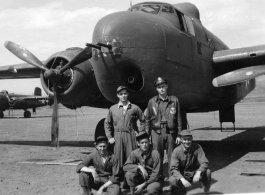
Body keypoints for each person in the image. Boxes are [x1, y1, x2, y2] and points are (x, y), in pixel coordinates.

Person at [145, 77, 182, 176]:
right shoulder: (152, 101)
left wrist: (179, 135)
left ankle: (172, 178)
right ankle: (158, 178)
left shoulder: (174, 100)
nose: (161, 89)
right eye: (159, 87)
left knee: (172, 156)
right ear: (156, 89)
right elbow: (147, 119)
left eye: (163, 86)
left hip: (171, 132)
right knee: (157, 156)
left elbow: (178, 118)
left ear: (167, 86)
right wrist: (147, 135)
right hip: (157, 132)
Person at [104, 86, 145, 169]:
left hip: (131, 135)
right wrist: (109, 137)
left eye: (125, 93)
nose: (123, 96)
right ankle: (119, 178)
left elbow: (143, 120)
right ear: (118, 95)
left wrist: (141, 133)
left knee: (132, 156)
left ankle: (132, 177)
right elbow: (107, 123)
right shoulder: (113, 109)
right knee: (118, 157)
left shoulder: (134, 108)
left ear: (128, 94)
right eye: (121, 94)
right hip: (118, 135)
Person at [169, 129, 211, 195]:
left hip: (195, 173)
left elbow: (204, 162)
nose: (187, 141)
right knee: (172, 180)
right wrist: (182, 180)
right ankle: (180, 189)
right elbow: (174, 169)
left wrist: (198, 172)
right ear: (181, 140)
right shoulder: (176, 151)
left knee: (207, 172)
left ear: (192, 139)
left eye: (189, 139)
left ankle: (207, 190)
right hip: (183, 174)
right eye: (184, 139)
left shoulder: (197, 147)